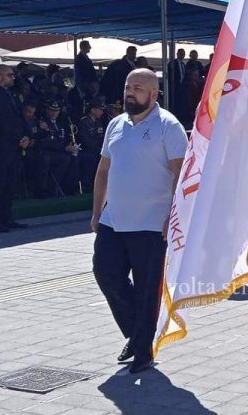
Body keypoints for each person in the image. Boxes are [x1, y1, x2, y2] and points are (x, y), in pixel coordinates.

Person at [91, 68, 188, 374]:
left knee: (148, 290)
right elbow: (104, 169)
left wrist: (174, 216)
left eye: (137, 88)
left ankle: (143, 349)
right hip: (113, 220)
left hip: (150, 223)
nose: (130, 92)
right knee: (106, 275)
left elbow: (180, 175)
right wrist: (96, 211)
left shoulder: (168, 126)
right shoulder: (115, 125)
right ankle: (136, 335)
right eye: (127, 86)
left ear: (154, 94)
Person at [0, 65, 30, 232]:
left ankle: (7, 217)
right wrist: (17, 138)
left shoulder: (11, 95)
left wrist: (27, 135)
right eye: (10, 75)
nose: (13, 78)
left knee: (10, 184)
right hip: (0, 147)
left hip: (15, 147)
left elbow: (20, 118)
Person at [78, 98, 106, 193]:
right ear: (93, 110)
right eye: (100, 109)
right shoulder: (83, 122)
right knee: (91, 158)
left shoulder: (99, 122)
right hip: (85, 150)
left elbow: (101, 138)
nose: (102, 112)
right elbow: (85, 141)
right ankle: (87, 187)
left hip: (97, 150)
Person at [167, 48, 187, 117]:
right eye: (180, 53)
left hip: (182, 87)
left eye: (183, 54)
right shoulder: (173, 63)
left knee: (181, 102)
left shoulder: (183, 64)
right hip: (175, 86)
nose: (182, 55)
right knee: (174, 102)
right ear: (177, 54)